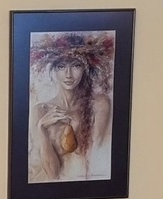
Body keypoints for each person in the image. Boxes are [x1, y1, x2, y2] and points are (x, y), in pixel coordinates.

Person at [29, 33, 113, 182]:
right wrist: (42, 129)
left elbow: (98, 155)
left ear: (86, 68)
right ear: (54, 70)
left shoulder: (99, 104)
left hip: (91, 184)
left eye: (76, 65)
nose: (68, 74)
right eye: (61, 66)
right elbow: (53, 174)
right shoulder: (41, 110)